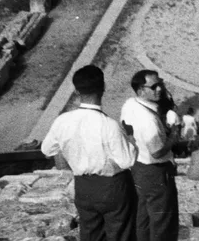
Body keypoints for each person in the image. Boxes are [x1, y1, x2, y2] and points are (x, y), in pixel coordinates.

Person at [41, 65, 138, 241]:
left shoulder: (63, 121)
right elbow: (127, 161)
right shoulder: (109, 124)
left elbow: (47, 149)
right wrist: (131, 140)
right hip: (113, 186)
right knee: (120, 234)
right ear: (103, 88)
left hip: (83, 186)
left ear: (77, 91)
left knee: (91, 234)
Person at [120, 69, 178, 241]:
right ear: (140, 91)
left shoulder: (130, 104)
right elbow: (157, 151)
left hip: (138, 167)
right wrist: (174, 136)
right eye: (153, 86)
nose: (159, 89)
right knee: (163, 220)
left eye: (160, 83)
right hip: (156, 170)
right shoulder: (149, 120)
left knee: (143, 217)